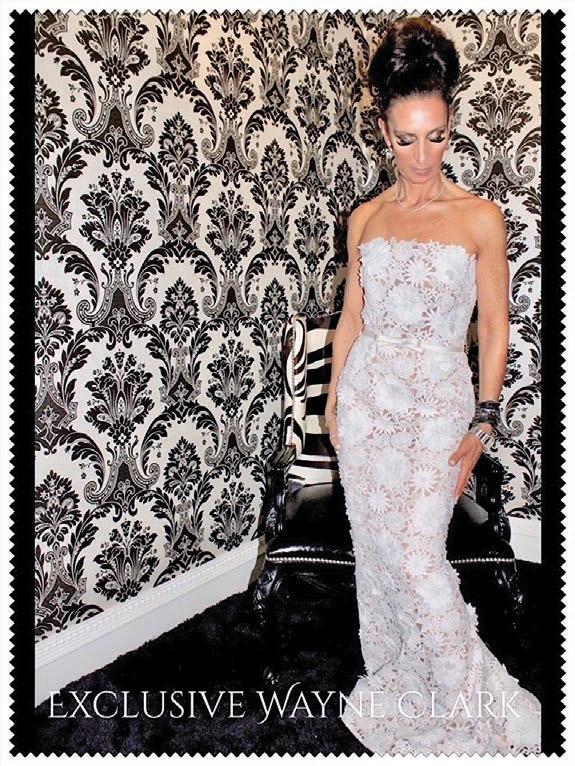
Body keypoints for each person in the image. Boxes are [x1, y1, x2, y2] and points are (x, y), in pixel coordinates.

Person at [324, 16, 542, 756]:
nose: (421, 157)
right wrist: (333, 404)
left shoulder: (480, 218)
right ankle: (404, 681)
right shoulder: (365, 218)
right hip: (367, 403)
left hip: (436, 405)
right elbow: (353, 319)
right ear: (382, 131)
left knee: (419, 559)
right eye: (405, 139)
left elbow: (494, 325)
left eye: (437, 137)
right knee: (379, 556)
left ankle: (474, 703)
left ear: (451, 127)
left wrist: (484, 418)